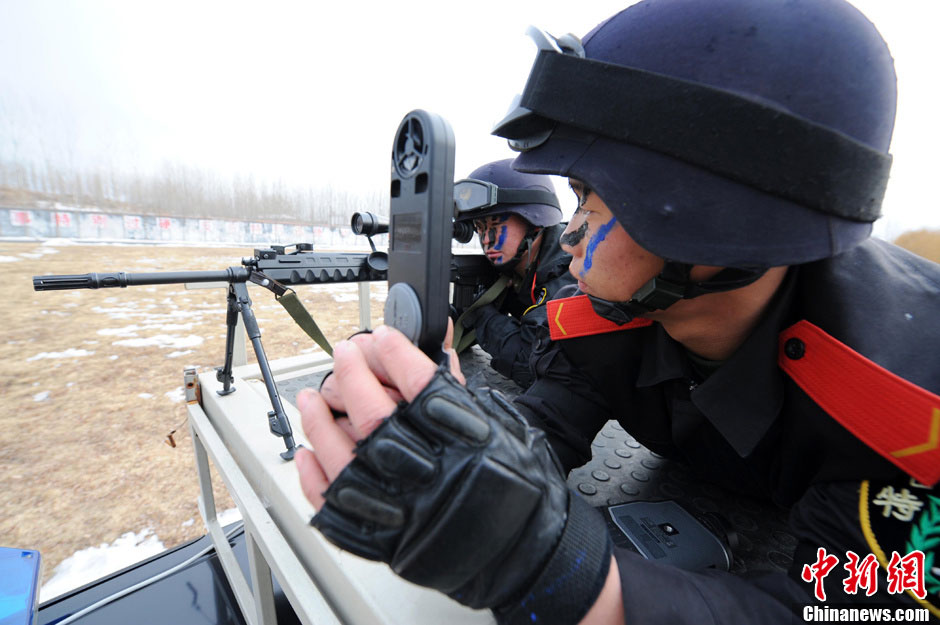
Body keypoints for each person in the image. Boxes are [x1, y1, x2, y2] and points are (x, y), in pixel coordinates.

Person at [294, 0, 940, 623]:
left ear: (713, 212)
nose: (570, 235)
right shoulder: (602, 321)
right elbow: (544, 427)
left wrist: (563, 575)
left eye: (588, 195)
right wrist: (454, 442)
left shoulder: (909, 409)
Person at [452, 158, 574, 388]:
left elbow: (531, 364)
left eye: (495, 227)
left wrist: (483, 315)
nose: (486, 240)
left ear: (535, 223)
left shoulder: (568, 273)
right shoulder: (518, 268)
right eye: (480, 228)